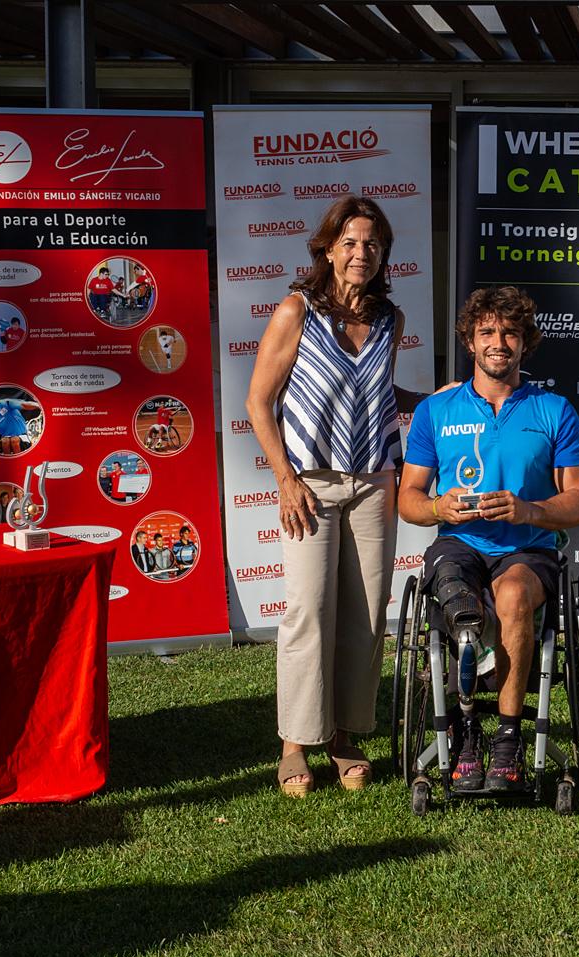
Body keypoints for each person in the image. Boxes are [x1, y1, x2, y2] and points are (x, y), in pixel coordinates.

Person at [246, 194, 422, 798]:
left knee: (369, 613)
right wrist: (285, 479)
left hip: (375, 482)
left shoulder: (389, 321)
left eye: (372, 244)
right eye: (349, 242)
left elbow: (376, 393)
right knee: (308, 610)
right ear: (326, 248)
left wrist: (437, 401)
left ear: (383, 255)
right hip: (311, 483)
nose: (360, 253)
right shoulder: (297, 311)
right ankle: (296, 744)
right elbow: (258, 403)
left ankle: (347, 736)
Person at [398, 286, 579, 793]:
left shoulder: (554, 409)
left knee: (512, 597)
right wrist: (439, 507)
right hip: (459, 543)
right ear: (469, 341)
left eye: (509, 332)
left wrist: (529, 508)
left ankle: (506, 740)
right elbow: (409, 499)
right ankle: (463, 731)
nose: (498, 342)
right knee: (460, 603)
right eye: (487, 331)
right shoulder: (436, 412)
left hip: (528, 547)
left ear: (526, 342)